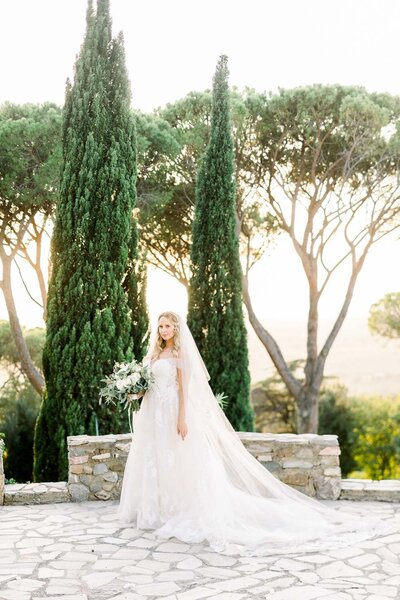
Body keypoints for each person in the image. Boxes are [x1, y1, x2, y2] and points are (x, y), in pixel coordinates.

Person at [118, 311, 394, 556]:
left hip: (172, 415)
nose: (163, 330)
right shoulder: (153, 355)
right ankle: (157, 509)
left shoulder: (180, 356)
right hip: (152, 416)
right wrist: (133, 389)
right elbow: (148, 387)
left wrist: (181, 419)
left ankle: (180, 508)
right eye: (161, 326)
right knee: (157, 460)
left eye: (168, 326)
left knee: (178, 460)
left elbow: (183, 391)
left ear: (176, 330)